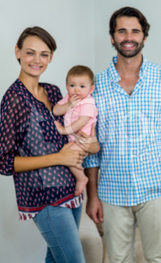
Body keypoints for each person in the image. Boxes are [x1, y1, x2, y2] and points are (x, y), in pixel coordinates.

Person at [83, 7, 161, 262]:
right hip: (112, 192)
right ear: (112, 37)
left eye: (135, 31)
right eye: (122, 31)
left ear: (144, 37)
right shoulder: (95, 87)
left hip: (157, 189)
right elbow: (91, 151)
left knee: (159, 258)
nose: (128, 37)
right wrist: (93, 196)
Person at [0, 26, 99, 262]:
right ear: (17, 52)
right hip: (43, 196)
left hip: (71, 191)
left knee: (56, 259)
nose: (37, 60)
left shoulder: (55, 93)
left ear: (51, 57)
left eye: (44, 54)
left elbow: (84, 137)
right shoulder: (13, 99)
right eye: (30, 52)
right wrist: (58, 158)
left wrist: (91, 144)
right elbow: (4, 162)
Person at [53, 65, 98, 196]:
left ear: (91, 89)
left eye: (82, 86)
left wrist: (63, 130)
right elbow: (55, 111)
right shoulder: (69, 98)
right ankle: (79, 176)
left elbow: (81, 122)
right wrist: (68, 105)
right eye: (72, 85)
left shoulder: (88, 102)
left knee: (68, 158)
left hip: (83, 140)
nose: (76, 90)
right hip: (73, 139)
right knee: (68, 156)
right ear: (66, 86)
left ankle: (81, 178)